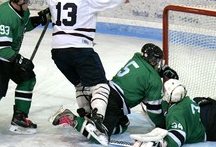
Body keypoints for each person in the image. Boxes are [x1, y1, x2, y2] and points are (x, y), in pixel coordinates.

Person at [24, 0, 150, 145]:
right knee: (100, 86)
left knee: (81, 84)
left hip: (59, 53)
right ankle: (98, 121)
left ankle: (86, 113)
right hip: (81, 49)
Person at [49, 43, 178, 146]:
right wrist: (163, 125)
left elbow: (143, 74)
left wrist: (159, 72)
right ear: (155, 62)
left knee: (123, 124)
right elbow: (154, 111)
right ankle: (72, 119)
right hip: (114, 103)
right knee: (100, 136)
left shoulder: (137, 57)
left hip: (103, 92)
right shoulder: (153, 81)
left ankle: (89, 116)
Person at [130, 79, 216, 147]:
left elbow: (178, 137)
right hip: (208, 105)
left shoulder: (175, 113)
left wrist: (162, 144)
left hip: (213, 124)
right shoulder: (182, 100)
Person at [0, 0, 48, 134]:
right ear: (19, 0)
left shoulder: (22, 12)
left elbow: (24, 26)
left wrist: (40, 19)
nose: (29, 2)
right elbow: (2, 48)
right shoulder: (5, 14)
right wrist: (19, 60)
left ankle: (19, 117)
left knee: (27, 78)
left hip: (8, 57)